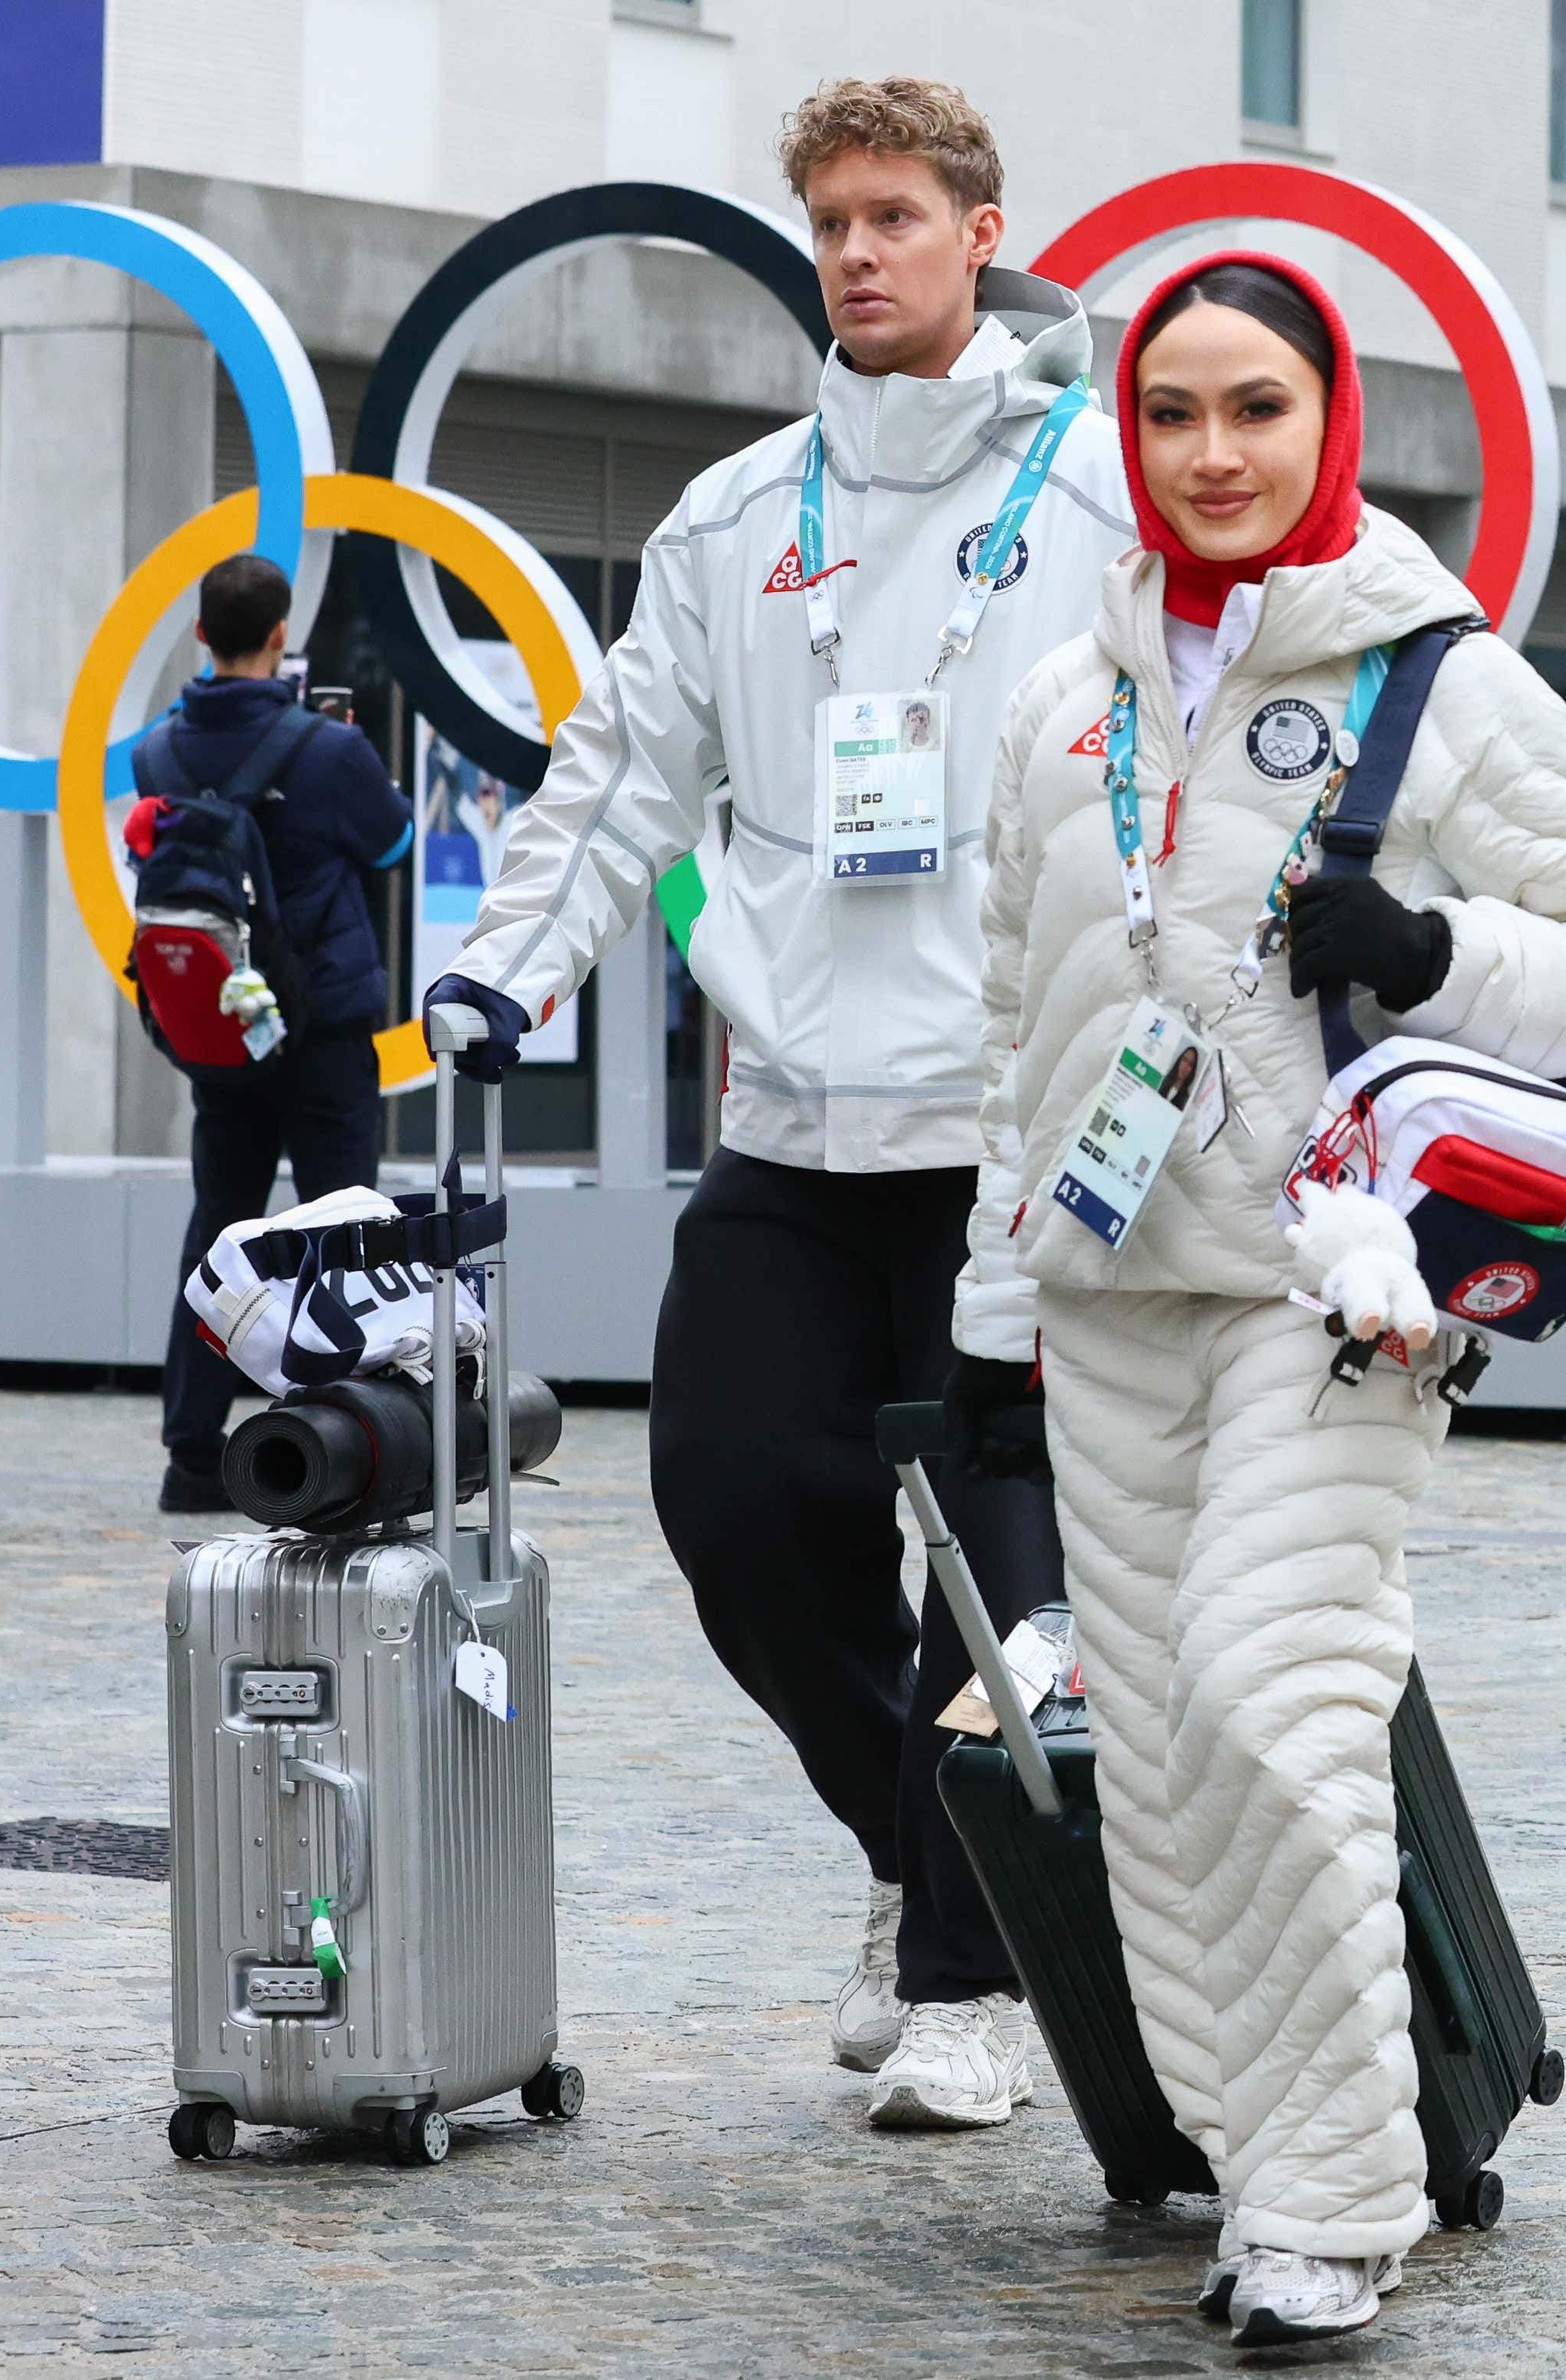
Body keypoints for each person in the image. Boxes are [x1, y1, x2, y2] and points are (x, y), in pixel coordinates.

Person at [952, 251, 1566, 2345]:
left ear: (1329, 422)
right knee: (1166, 1765)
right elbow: (1019, 1010)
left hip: (1336, 1285)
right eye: (1172, 411)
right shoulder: (1057, 702)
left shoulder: (1436, 678)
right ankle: (1262, 2175)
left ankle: (1346, 2192)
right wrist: (997, 1300)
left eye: (1254, 408)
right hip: (1107, 1289)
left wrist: (1432, 944)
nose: (1208, 452)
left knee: (1276, 1698)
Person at [421, 78, 1132, 2131]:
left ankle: (964, 1985)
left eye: (895, 213)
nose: (855, 251)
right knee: (735, 1507)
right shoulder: (740, 520)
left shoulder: (1100, 496)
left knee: (1000, 1580)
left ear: (981, 230)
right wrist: (500, 968)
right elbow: (619, 774)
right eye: (829, 217)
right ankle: (930, 1849)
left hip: (1018, 1134)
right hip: (798, 1124)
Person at [146, 553, 414, 1513]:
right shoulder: (328, 751)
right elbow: (392, 843)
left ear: (202, 636)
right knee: (343, 1230)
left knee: (218, 1228)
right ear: (279, 636)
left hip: (223, 1028)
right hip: (324, 1025)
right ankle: (336, 1440)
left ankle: (190, 1454)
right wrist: (340, 747)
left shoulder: (159, 752)